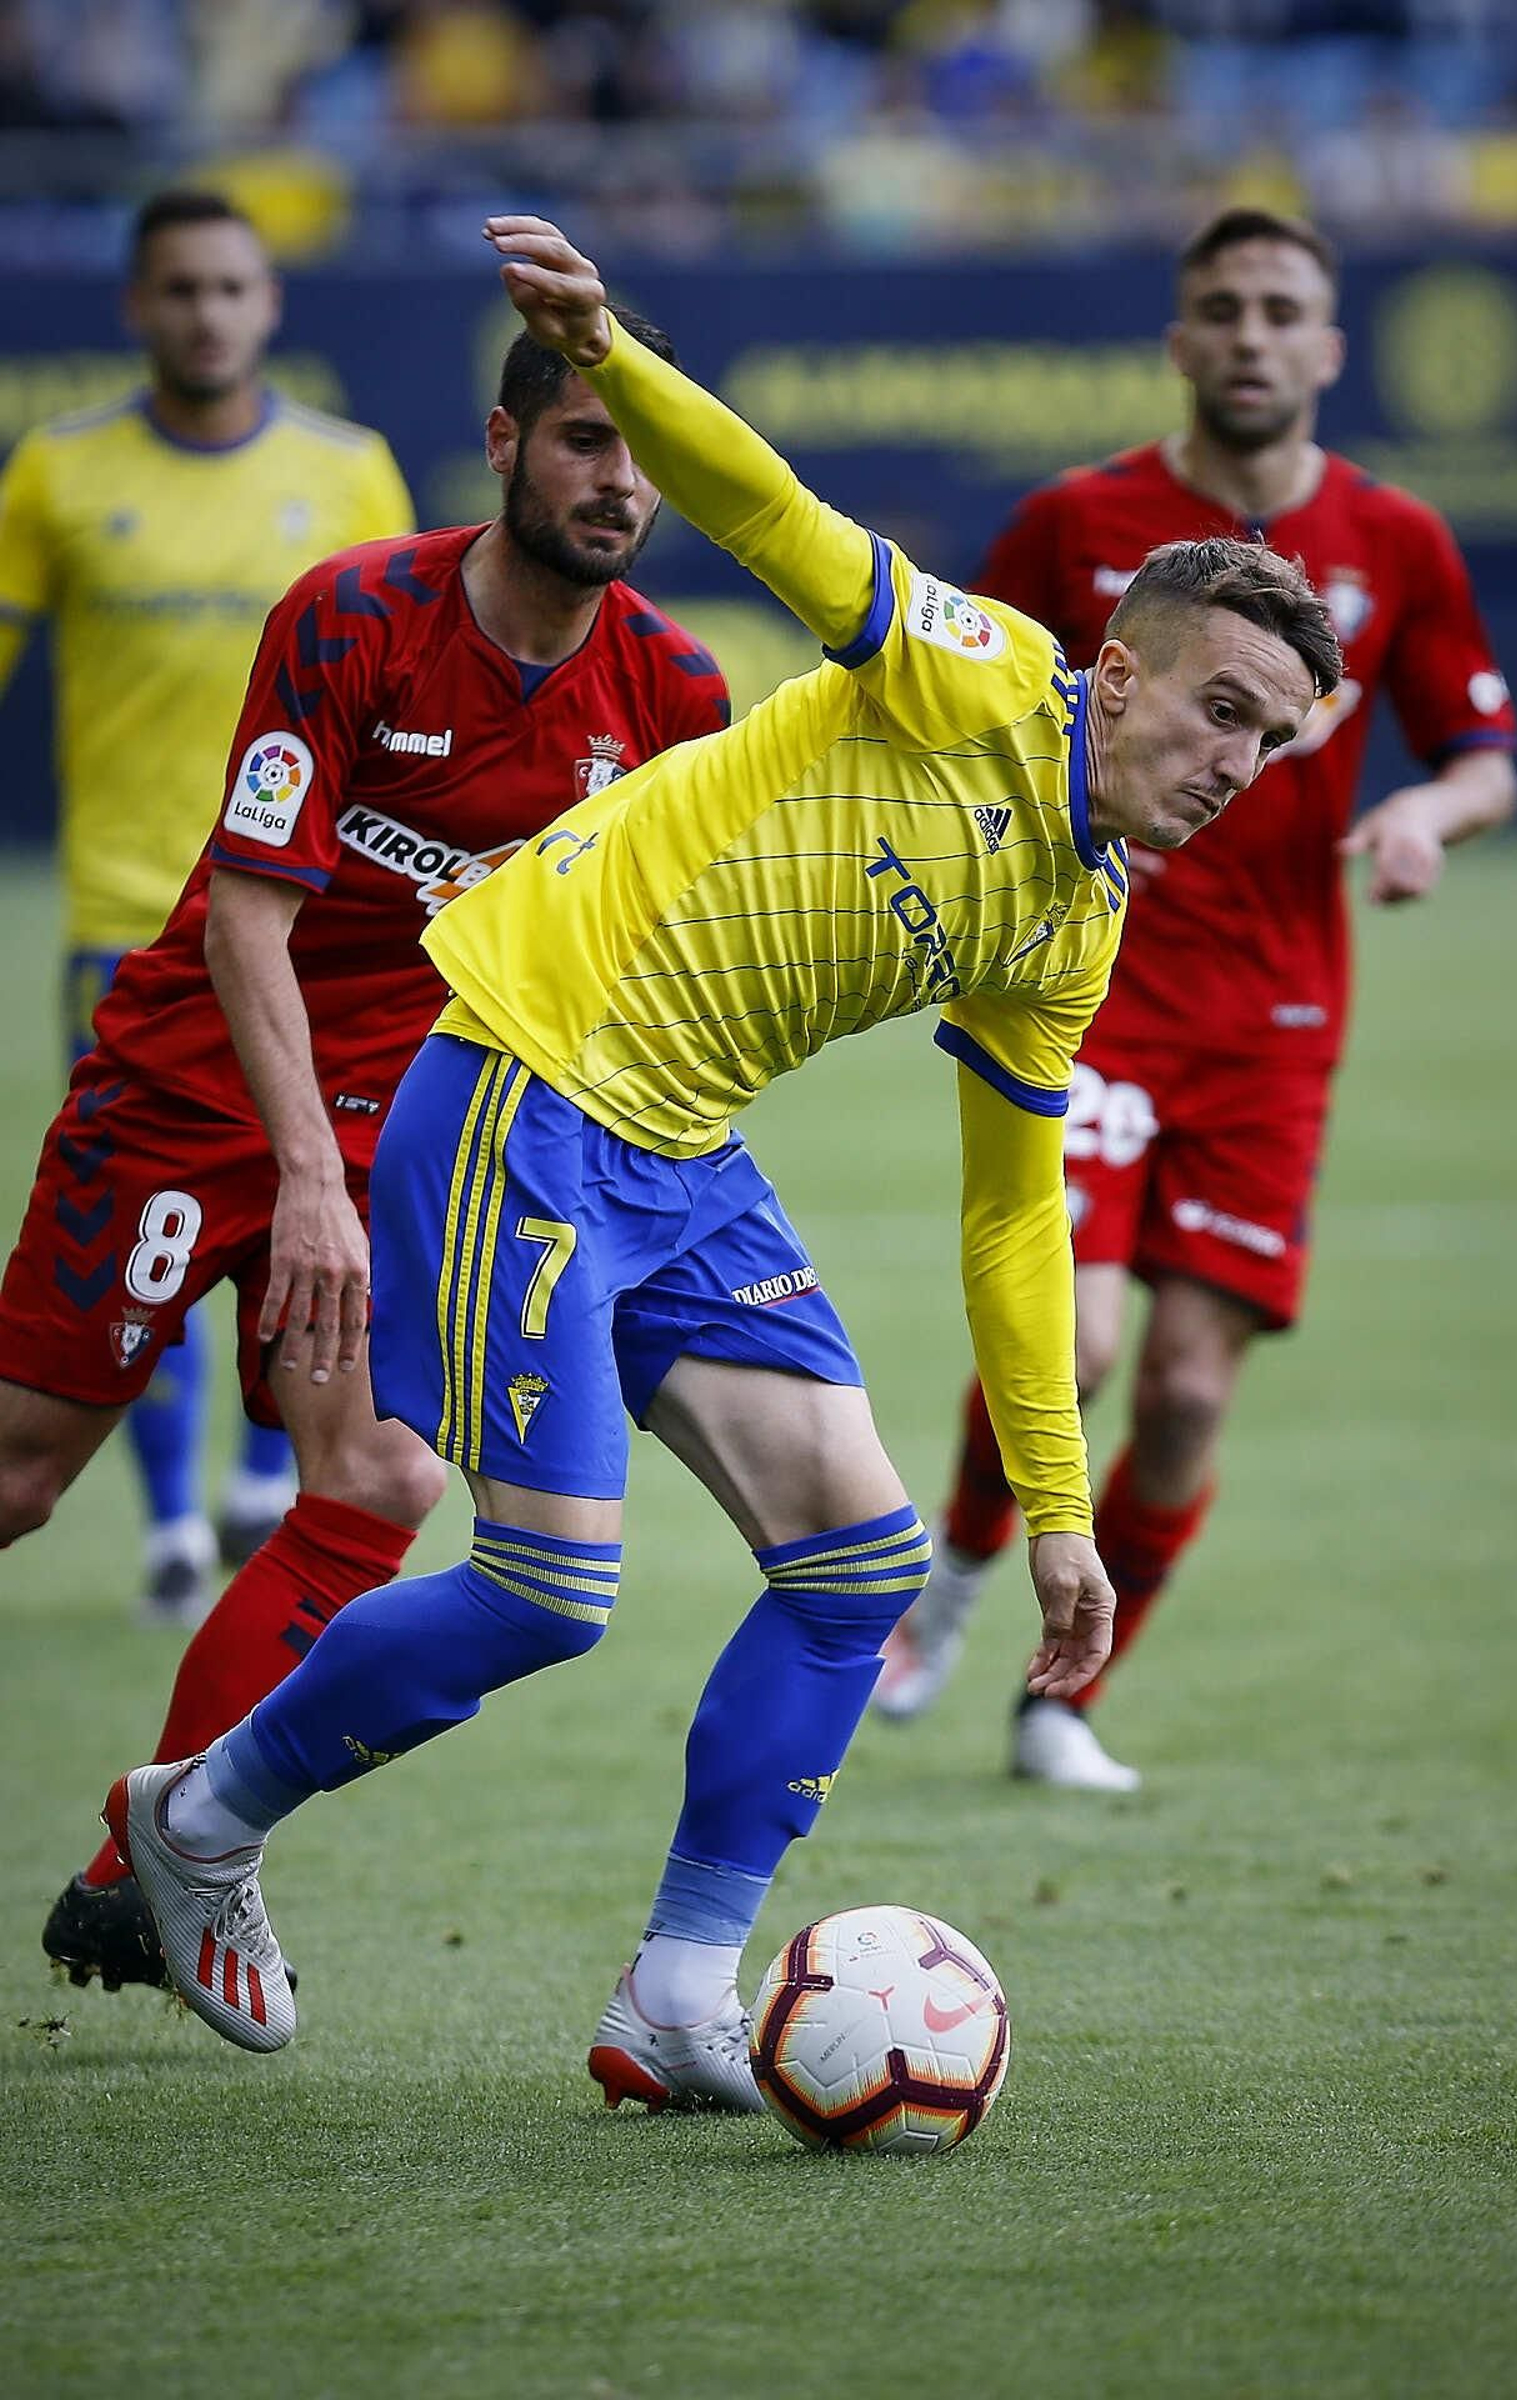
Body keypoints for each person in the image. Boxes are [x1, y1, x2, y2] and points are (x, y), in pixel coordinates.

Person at [103, 214, 1341, 2104]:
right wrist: (611, 351)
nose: (1238, 762)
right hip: (524, 1080)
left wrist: (1060, 1511)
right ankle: (198, 1818)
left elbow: (1013, 1209)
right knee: (548, 1592)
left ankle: (679, 1994)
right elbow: (772, 513)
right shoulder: (979, 673)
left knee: (856, 1569)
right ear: (1116, 673)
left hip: (680, 1153)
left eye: (1273, 741)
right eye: (1221, 710)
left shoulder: (1077, 916)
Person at [2, 303, 730, 1994]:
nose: (619, 487)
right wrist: (307, 1183)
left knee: (380, 1478)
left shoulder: (675, 689)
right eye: (586, 443)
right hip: (194, 1081)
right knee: (23, 1476)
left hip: (400, 1118)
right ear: (505, 445)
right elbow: (246, 920)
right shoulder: (355, 614)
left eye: (647, 459)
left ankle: (147, 1866)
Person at [872, 207, 1517, 1788]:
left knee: (1182, 1395)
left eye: (1281, 309)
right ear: (1179, 340)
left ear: (1329, 347)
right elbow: (968, 702)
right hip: (1089, 991)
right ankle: (953, 1585)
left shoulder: (1397, 540)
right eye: (1222, 307)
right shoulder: (1078, 521)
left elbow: (1484, 757)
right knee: (1081, 1339)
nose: (1250, 334)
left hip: (1277, 1021)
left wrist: (1424, 817)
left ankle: (1062, 1706)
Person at [0, 188, 415, 1621]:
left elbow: (410, 682)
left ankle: (251, 1479)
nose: (207, 314)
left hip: (313, 925)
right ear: (137, 306)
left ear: (270, 305)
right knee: (149, 1216)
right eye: (180, 289)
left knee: (313, 1202)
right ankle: (175, 1518)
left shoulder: (349, 473)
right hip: (128, 911)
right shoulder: (56, 474)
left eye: (231, 288)